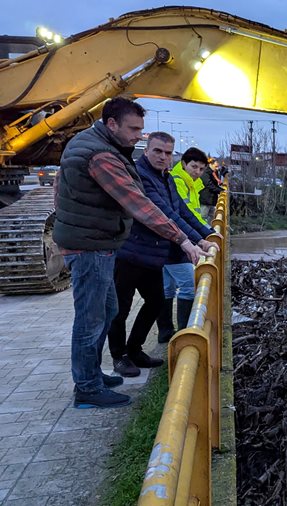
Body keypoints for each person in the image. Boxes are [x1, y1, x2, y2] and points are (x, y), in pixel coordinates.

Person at [53, 97, 205, 409]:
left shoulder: (94, 144)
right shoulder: (101, 156)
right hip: (91, 247)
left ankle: (93, 374)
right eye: (134, 129)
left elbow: (59, 188)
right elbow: (139, 205)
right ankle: (87, 388)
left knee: (108, 311)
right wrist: (184, 240)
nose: (139, 135)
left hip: (97, 242)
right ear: (112, 124)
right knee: (91, 319)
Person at [108, 132, 217, 377]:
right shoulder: (140, 176)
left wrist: (206, 235)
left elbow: (183, 211)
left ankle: (134, 349)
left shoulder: (165, 177)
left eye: (168, 153)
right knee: (120, 309)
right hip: (130, 252)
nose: (163, 157)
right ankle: (119, 357)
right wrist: (191, 240)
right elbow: (166, 213)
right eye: (158, 151)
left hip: (152, 255)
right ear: (146, 150)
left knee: (156, 301)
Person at [158, 148, 213, 336]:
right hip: (176, 242)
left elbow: (190, 214)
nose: (197, 172)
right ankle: (185, 334)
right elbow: (182, 215)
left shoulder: (188, 183)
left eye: (201, 169)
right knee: (189, 285)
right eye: (194, 167)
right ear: (183, 164)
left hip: (173, 240)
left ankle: (166, 331)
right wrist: (201, 238)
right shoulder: (178, 182)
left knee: (167, 288)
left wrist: (205, 233)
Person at [198, 157, 224, 221]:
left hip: (211, 199)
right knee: (203, 217)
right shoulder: (205, 172)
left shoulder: (213, 172)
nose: (217, 168)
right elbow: (209, 185)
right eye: (216, 166)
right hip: (206, 199)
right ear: (211, 164)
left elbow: (214, 184)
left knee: (211, 217)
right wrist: (220, 190)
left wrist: (221, 190)